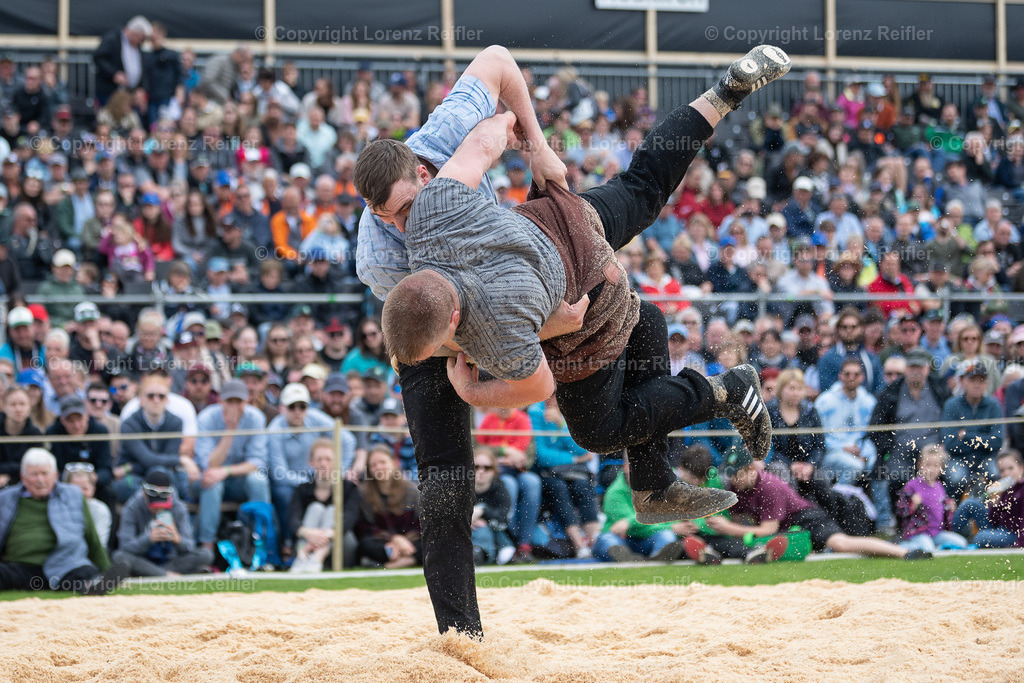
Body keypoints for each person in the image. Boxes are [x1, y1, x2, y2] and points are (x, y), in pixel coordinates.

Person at [355, 43, 777, 639]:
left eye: (403, 211)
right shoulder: (382, 255)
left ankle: (724, 93)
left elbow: (499, 61)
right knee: (446, 478)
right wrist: (493, 361)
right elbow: (431, 331)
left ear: (425, 169)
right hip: (460, 313)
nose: (400, 227)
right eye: (387, 219)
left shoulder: (444, 140)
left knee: (639, 207)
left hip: (531, 263)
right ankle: (462, 635)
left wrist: (539, 147)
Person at [724, 448, 932, 559]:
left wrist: (726, 528)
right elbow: (739, 522)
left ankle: (904, 552)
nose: (734, 480)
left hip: (808, 519)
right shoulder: (738, 487)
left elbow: (768, 528)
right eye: (731, 476)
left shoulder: (769, 486)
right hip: (790, 529)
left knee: (842, 544)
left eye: (738, 475)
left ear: (752, 469)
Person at [0, 448, 129, 594]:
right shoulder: (5, 498)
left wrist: (106, 569)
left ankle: (94, 586)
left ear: (55, 475)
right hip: (23, 567)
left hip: (66, 565)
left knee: (85, 573)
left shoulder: (73, 495)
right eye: (34, 475)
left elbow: (92, 537)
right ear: (23, 478)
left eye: (44, 473)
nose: (40, 480)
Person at [869, 347, 950, 534]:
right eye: (912, 366)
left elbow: (952, 418)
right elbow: (876, 427)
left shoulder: (940, 389)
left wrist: (945, 442)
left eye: (920, 367)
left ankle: (942, 524)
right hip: (900, 447)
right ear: (906, 369)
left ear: (927, 369)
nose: (916, 371)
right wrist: (888, 447)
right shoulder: (891, 391)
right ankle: (902, 524)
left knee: (952, 476)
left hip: (933, 447)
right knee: (895, 477)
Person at [193, 379, 271, 551]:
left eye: (239, 401)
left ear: (247, 400)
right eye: (230, 401)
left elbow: (258, 462)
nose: (234, 406)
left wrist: (226, 471)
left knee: (258, 480)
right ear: (220, 400)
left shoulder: (256, 417)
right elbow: (209, 464)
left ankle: (262, 543)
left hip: (238, 478)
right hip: (213, 478)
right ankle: (207, 548)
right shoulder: (206, 417)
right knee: (211, 483)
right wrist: (230, 431)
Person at [268, 382, 346, 552]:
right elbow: (280, 473)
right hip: (290, 484)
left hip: (319, 479)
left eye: (302, 406)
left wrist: (340, 471)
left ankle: (320, 546)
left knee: (343, 491)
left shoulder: (315, 417)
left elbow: (346, 438)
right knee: (286, 495)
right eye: (292, 406)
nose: (298, 411)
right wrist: (310, 483)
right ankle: (289, 543)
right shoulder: (274, 430)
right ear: (282, 408)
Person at [112, 470, 213, 577]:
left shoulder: (179, 508)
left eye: (162, 504)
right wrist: (149, 538)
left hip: (172, 561)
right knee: (119, 556)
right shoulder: (132, 507)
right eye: (154, 506)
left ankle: (154, 574)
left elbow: (190, 546)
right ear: (145, 494)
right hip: (143, 559)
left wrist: (177, 539)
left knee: (206, 554)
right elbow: (125, 546)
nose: (158, 509)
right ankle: (168, 575)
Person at [591, 455, 686, 563]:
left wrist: (629, 522)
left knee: (667, 536)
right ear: (627, 468)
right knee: (607, 540)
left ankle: (646, 560)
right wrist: (670, 527)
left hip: (649, 539)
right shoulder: (614, 493)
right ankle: (643, 560)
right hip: (623, 540)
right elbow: (633, 529)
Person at [116, 373, 194, 503]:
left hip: (163, 475)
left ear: (167, 400)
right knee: (125, 486)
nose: (156, 400)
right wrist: (181, 459)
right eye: (150, 396)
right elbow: (148, 459)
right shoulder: (129, 424)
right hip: (136, 478)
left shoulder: (176, 422)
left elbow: (163, 458)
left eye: (161, 396)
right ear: (141, 399)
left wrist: (130, 466)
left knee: (176, 479)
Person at [288, 438, 361, 572]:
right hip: (308, 539)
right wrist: (309, 533)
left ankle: (317, 557)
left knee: (332, 510)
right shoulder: (302, 490)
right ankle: (303, 557)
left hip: (340, 546)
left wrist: (327, 534)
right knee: (316, 508)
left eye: (328, 459)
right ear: (311, 463)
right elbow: (294, 519)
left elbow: (350, 518)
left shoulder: (349, 488)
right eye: (319, 459)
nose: (323, 464)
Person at [940, 361, 1003, 500]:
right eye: (972, 380)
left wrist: (967, 436)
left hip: (986, 457)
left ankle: (994, 516)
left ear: (987, 384)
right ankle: (953, 515)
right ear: (963, 382)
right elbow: (950, 443)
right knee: (956, 479)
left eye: (981, 380)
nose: (977, 384)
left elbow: (997, 442)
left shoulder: (994, 405)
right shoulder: (951, 405)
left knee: (995, 476)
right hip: (960, 458)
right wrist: (983, 440)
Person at [814, 357, 878, 486]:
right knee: (855, 466)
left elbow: (871, 434)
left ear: (862, 377)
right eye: (847, 374)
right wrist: (842, 448)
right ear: (840, 376)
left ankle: (876, 504)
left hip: (860, 451)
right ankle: (838, 499)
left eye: (856, 374)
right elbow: (818, 435)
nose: (851, 377)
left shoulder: (869, 402)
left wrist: (864, 452)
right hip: (831, 452)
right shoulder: (825, 401)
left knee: (876, 464)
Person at [356, 445, 421, 569]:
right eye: (373, 465)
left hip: (410, 543)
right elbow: (366, 528)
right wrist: (394, 539)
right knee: (366, 545)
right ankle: (405, 560)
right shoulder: (364, 494)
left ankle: (399, 563)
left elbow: (421, 525)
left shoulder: (412, 490)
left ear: (394, 463)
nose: (379, 467)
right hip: (384, 544)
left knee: (431, 543)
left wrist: (404, 541)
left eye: (383, 462)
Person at [896, 445, 967, 553]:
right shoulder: (912, 486)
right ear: (920, 465)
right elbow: (900, 511)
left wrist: (949, 507)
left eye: (936, 465)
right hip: (919, 533)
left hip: (937, 533)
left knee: (962, 543)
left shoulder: (939, 486)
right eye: (928, 465)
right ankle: (903, 546)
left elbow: (943, 513)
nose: (932, 469)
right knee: (927, 549)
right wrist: (913, 505)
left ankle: (937, 548)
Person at [952, 450, 1024, 548]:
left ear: (1021, 468)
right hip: (999, 528)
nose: (1007, 473)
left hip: (1014, 534)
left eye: (1011, 468)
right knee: (969, 503)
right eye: (1002, 471)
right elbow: (994, 521)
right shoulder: (1004, 490)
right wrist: (994, 503)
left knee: (980, 537)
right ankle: (952, 535)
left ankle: (966, 543)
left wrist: (1019, 544)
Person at [469, 446, 516, 566]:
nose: (481, 471)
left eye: (487, 468)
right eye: (476, 467)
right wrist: (467, 521)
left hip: (494, 531)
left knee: (484, 528)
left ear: (494, 471)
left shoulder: (500, 490)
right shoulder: (461, 491)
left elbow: (503, 522)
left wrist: (482, 511)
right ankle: (498, 551)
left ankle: (479, 553)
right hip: (467, 533)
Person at [0, 386, 42, 488]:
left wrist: (9, 475)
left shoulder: (35, 434)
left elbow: (35, 466)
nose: (18, 409)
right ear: (4, 406)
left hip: (26, 484)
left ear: (29, 406)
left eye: (22, 404)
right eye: (13, 404)